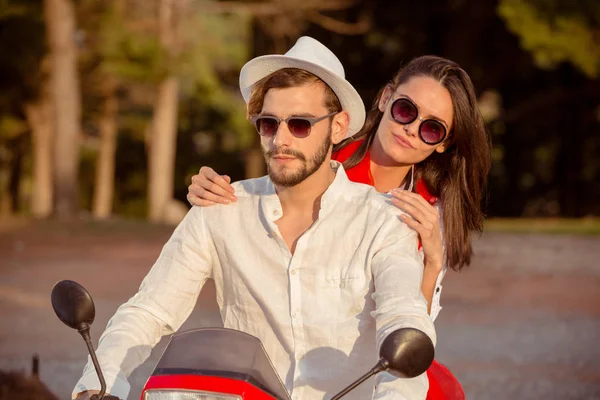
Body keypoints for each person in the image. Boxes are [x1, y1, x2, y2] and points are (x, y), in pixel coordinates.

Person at [73, 36, 435, 400]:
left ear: (338, 127)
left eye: (300, 124)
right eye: (268, 123)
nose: (280, 139)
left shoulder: (384, 221)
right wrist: (99, 386)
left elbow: (403, 322)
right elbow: (148, 311)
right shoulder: (220, 210)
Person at [186, 53, 492, 399]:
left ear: (443, 143)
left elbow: (408, 332)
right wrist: (212, 189)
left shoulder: (430, 211)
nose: (410, 129)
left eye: (431, 128)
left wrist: (434, 262)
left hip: (374, 358)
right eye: (406, 109)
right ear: (386, 97)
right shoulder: (321, 158)